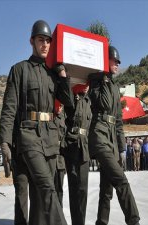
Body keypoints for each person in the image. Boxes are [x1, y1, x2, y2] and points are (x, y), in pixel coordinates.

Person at [0, 20, 72, 225]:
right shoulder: (20, 70)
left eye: (48, 41)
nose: (45, 45)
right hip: (28, 136)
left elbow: (67, 101)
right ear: (31, 41)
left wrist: (63, 75)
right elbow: (9, 108)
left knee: (41, 198)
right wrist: (5, 141)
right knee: (47, 187)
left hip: (50, 136)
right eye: (41, 40)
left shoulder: (53, 74)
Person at [88, 46, 140, 225]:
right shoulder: (95, 81)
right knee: (121, 181)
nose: (117, 64)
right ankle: (134, 221)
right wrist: (102, 78)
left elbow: (118, 120)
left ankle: (101, 222)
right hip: (99, 135)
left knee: (107, 188)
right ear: (105, 60)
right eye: (114, 61)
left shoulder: (116, 87)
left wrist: (122, 147)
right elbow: (101, 103)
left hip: (112, 139)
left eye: (118, 62)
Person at [62, 83, 92, 225]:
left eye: (88, 84)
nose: (86, 87)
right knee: (74, 189)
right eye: (83, 84)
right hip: (72, 145)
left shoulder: (89, 101)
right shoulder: (71, 99)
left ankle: (81, 221)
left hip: (84, 146)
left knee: (83, 189)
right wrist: (75, 94)